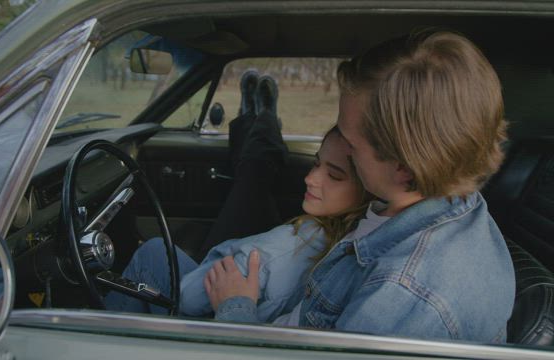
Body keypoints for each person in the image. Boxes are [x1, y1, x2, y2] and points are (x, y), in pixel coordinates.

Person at [204, 31, 515, 343]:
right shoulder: (453, 199)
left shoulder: (403, 298)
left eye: (352, 142)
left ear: (404, 167)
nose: (345, 150)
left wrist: (235, 310)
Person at [105, 72, 372, 321]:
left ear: (367, 187)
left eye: (335, 176)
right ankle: (261, 120)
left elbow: (188, 297)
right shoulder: (355, 234)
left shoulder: (280, 250)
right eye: (316, 163)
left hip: (215, 319)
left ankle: (258, 120)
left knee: (154, 251)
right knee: (254, 178)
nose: (309, 178)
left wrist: (226, 254)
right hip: (254, 310)